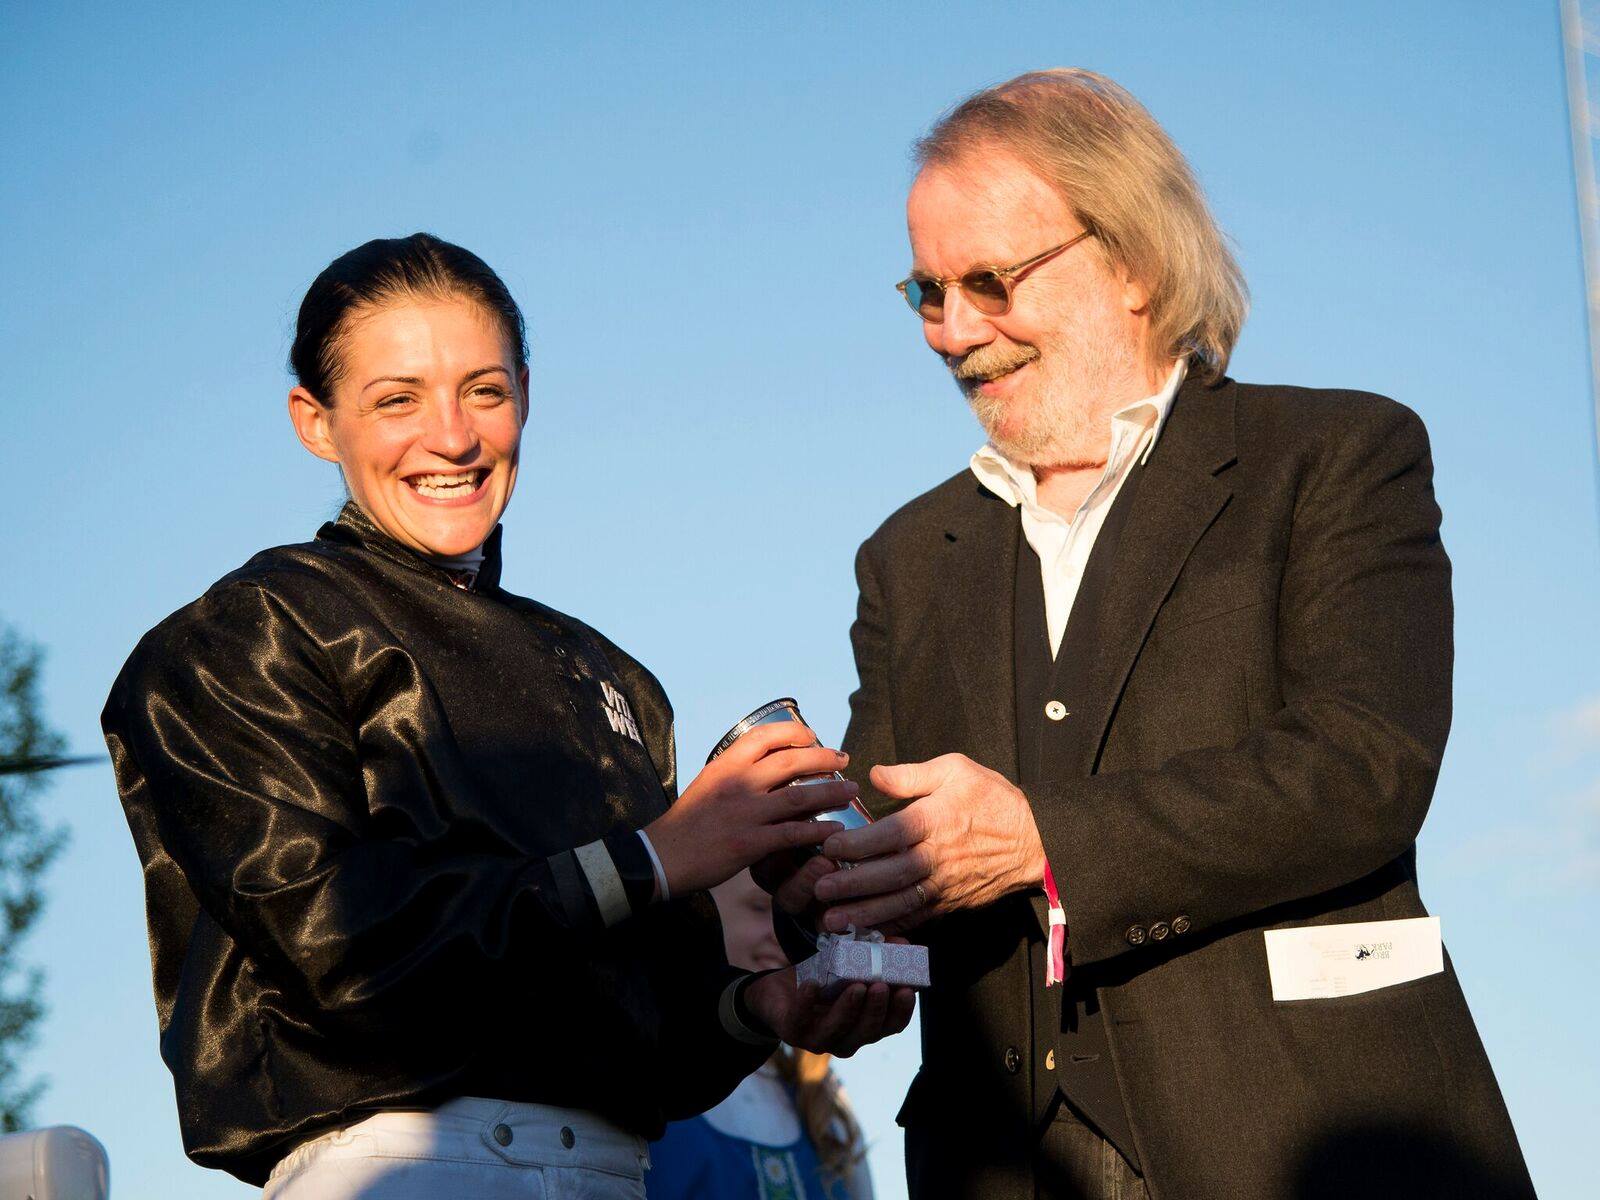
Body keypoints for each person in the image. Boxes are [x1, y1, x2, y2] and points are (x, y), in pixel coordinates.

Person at [766, 70, 1536, 1199]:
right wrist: (812, 896)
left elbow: (1363, 766)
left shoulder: (1334, 455)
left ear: (1130, 259)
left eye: (990, 280)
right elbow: (896, 841)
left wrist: (1043, 843)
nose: (954, 330)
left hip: (1309, 1134)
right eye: (927, 292)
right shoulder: (905, 555)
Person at [101, 233, 915, 1197]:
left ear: (525, 394)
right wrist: (654, 856)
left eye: (482, 390)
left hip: (618, 1171)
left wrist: (765, 1003)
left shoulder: (613, 679)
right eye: (395, 398)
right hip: (394, 1169)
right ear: (314, 422)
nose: (451, 436)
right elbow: (341, 951)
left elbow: (654, 1035)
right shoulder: (253, 628)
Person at [647, 870, 874, 1200]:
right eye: (758, 909)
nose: (780, 935)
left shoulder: (826, 1103)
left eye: (797, 919)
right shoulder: (645, 1072)